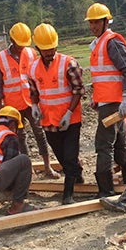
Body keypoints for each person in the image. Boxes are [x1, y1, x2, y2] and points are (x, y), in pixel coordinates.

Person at [26, 23, 84, 205]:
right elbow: (34, 91)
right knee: (62, 157)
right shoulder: (33, 68)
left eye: (52, 49)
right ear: (38, 49)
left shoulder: (68, 63)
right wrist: (35, 105)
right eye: (45, 50)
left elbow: (79, 90)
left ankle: (68, 195)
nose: (50, 53)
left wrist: (68, 112)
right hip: (49, 121)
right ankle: (77, 174)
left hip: (70, 120)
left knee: (69, 156)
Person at [0, 22, 60, 179]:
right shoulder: (1, 58)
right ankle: (28, 170)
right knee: (19, 138)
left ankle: (47, 166)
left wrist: (41, 100)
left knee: (40, 133)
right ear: (11, 39)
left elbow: (38, 75)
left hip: (31, 102)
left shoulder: (31, 53)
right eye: (18, 44)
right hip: (12, 105)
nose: (20, 47)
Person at [85, 3, 126, 198]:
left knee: (103, 145)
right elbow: (102, 77)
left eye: (96, 22)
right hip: (107, 102)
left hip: (114, 104)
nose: (93, 26)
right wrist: (96, 98)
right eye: (91, 22)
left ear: (106, 21)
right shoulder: (100, 43)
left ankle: (105, 190)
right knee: (121, 143)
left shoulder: (111, 42)